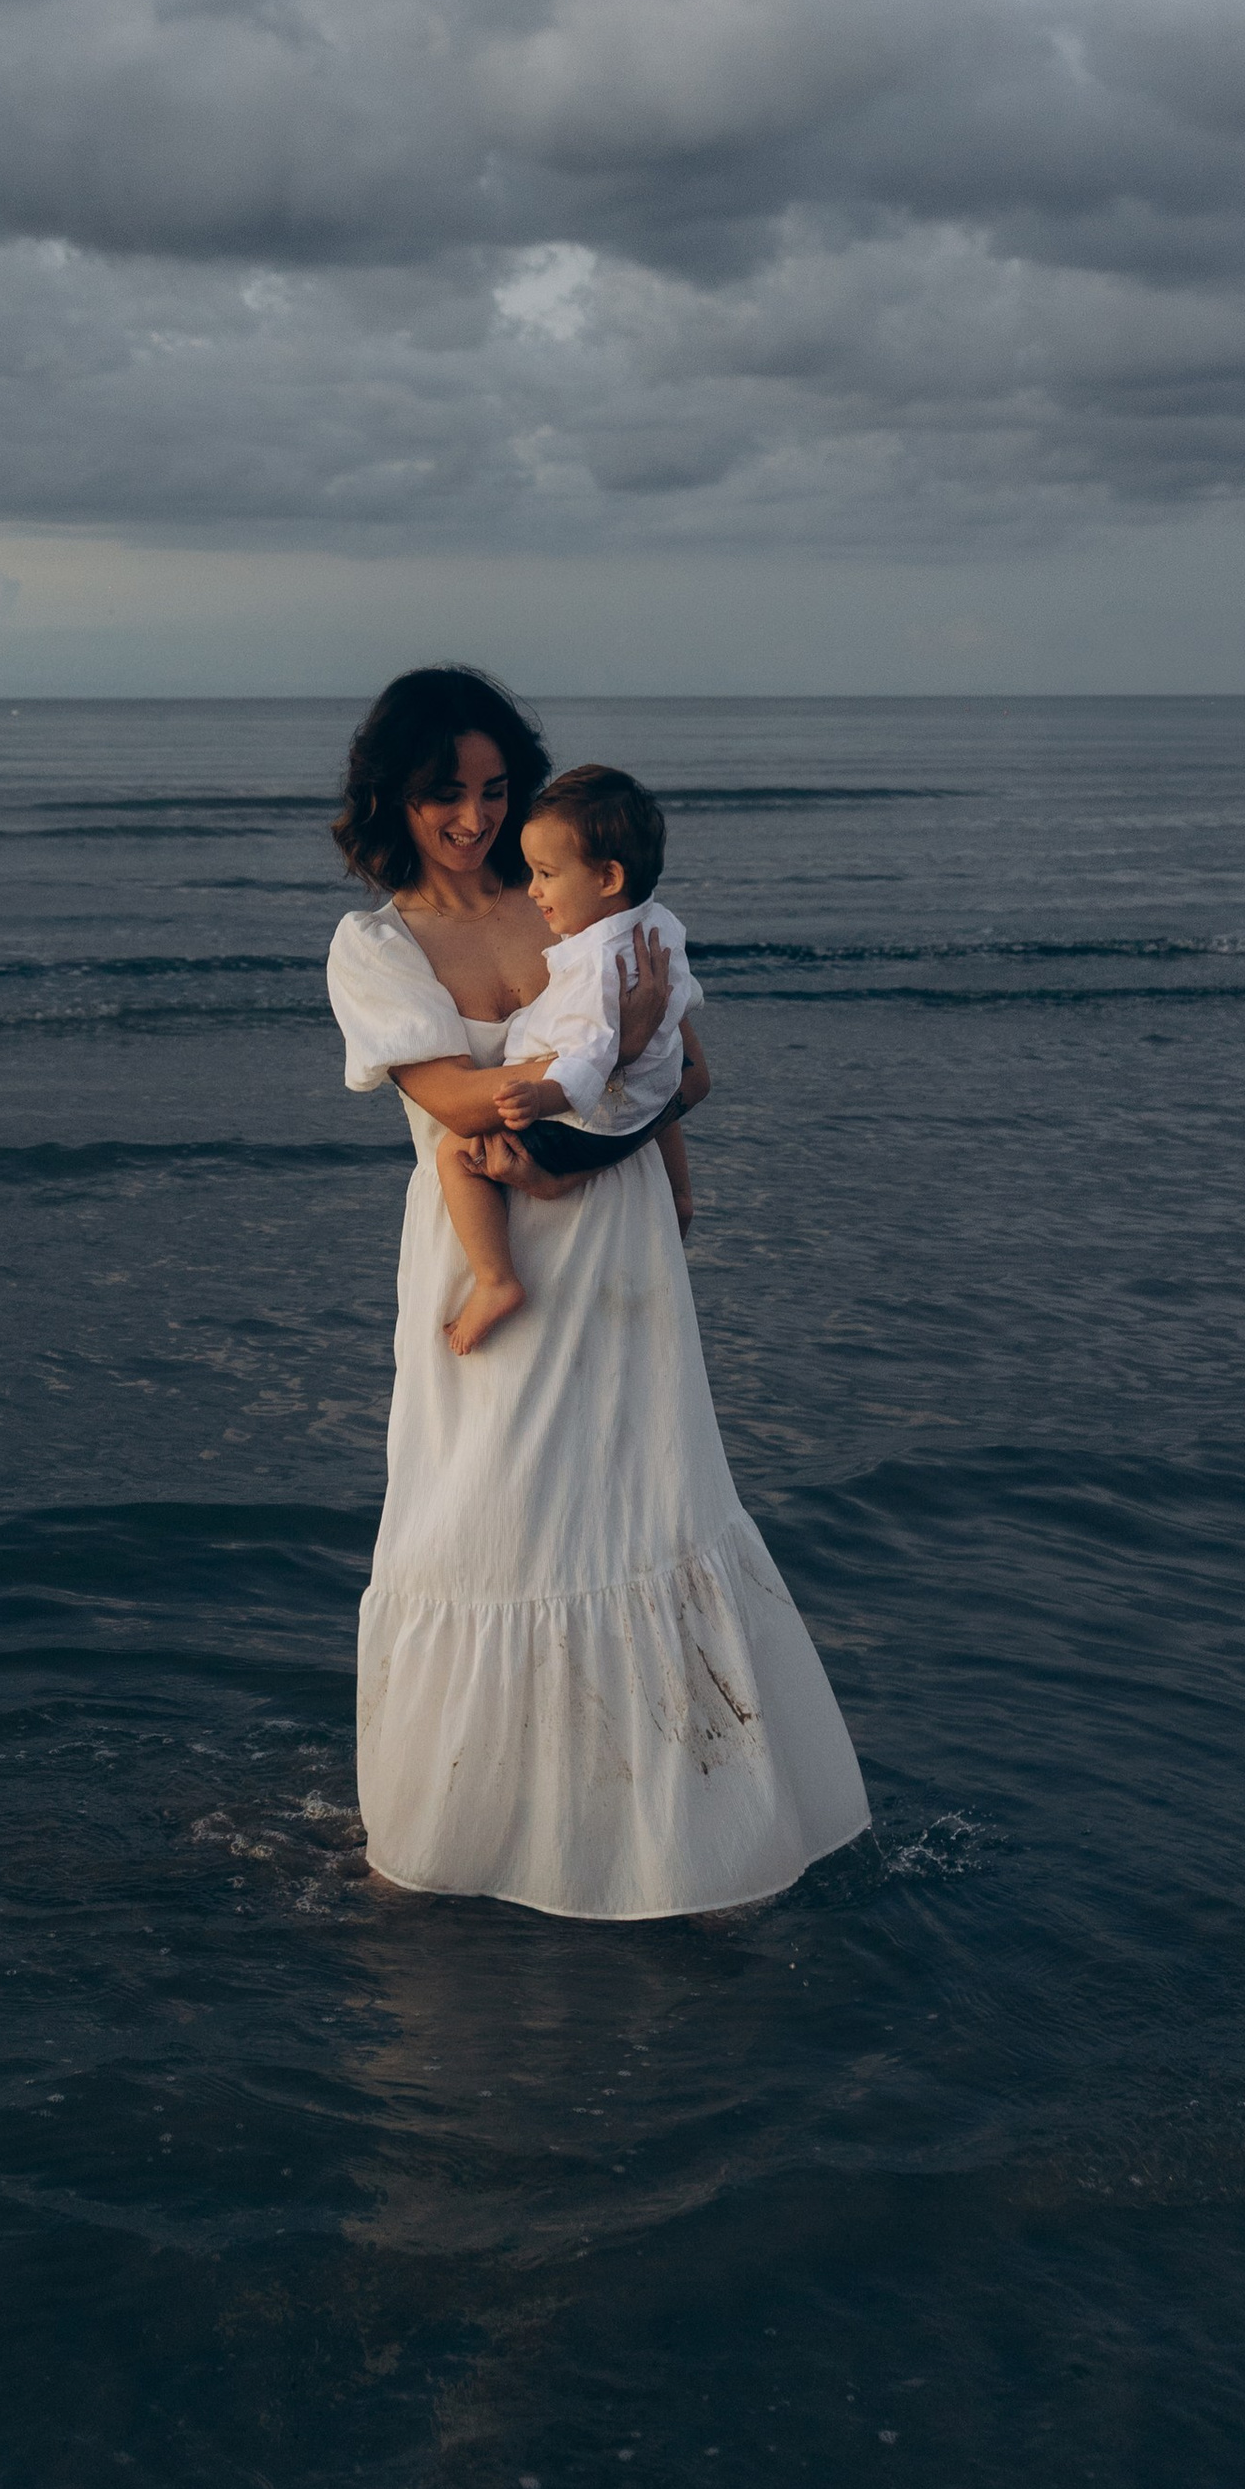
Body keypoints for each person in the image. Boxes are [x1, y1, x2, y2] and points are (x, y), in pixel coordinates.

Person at [325, 664, 870, 1923]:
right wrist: (611, 1064)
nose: (470, 819)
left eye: (492, 791)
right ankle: (461, 1835)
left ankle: (684, 1840)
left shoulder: (575, 902)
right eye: (441, 795)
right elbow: (452, 1101)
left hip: (618, 1252)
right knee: (479, 1521)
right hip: (486, 1260)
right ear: (392, 799)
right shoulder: (377, 944)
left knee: (637, 1506)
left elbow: (690, 1076)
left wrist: (630, 1074)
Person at [433, 762, 700, 1355]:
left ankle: (496, 1281)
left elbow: (589, 1059)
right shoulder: (657, 927)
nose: (533, 891)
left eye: (547, 875)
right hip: (647, 1110)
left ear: (608, 877)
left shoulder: (594, 966)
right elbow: (682, 1044)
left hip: (591, 1123)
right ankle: (676, 1195)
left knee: (455, 1150)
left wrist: (542, 1095)